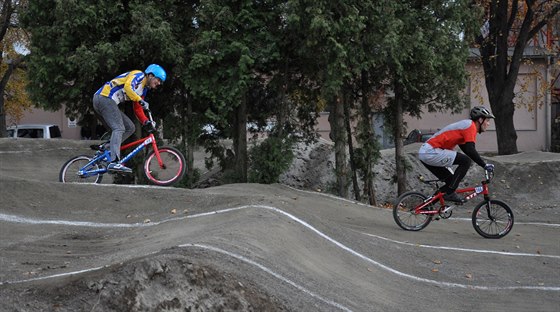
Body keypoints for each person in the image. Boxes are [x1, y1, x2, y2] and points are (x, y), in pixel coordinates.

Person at [92, 64, 166, 173]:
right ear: (150, 75)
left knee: (130, 128)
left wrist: (146, 122)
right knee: (119, 128)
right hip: (104, 97)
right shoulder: (138, 75)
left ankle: (105, 148)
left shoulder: (143, 90)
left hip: (108, 102)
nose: (158, 83)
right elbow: (128, 87)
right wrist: (140, 100)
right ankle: (114, 162)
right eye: (158, 80)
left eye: (160, 82)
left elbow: (137, 108)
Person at [418, 106, 495, 203]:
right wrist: (484, 165)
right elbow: (471, 150)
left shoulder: (466, 126)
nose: (488, 124)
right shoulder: (470, 126)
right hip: (431, 151)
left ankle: (428, 206)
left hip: (427, 152)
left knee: (451, 181)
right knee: (466, 161)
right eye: (487, 120)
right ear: (480, 119)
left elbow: (467, 149)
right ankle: (450, 193)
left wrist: (482, 164)